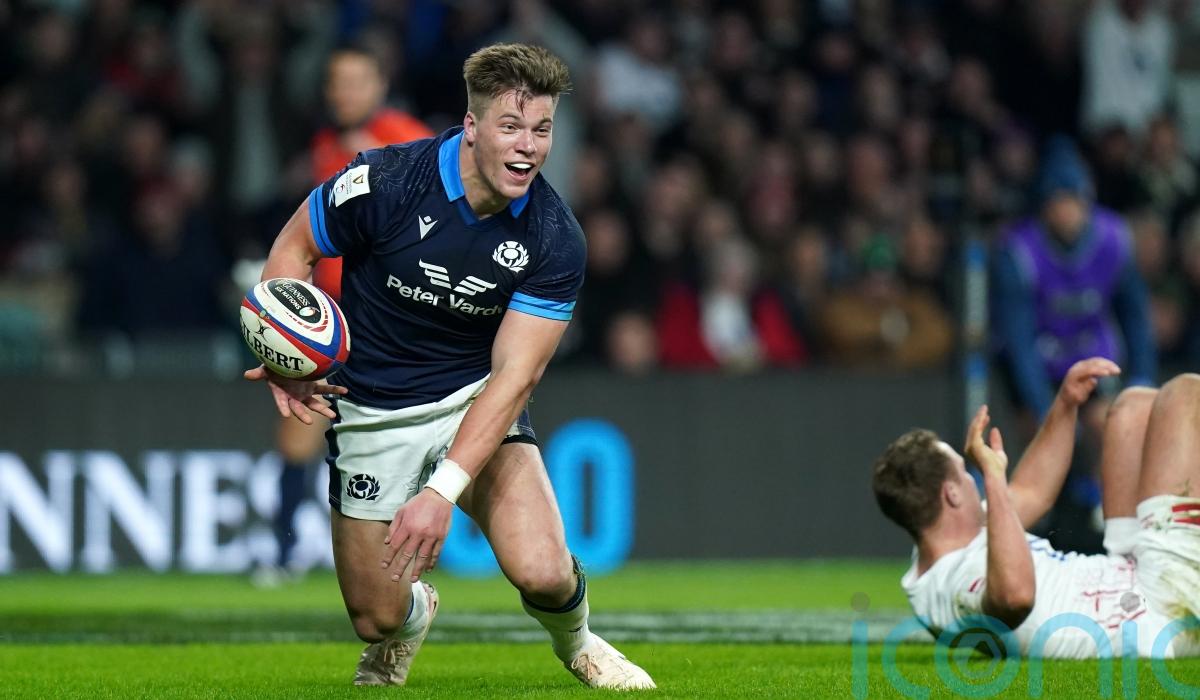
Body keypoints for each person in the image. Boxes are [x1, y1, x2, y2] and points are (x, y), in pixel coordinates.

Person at [243, 43, 655, 689]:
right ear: (472, 126)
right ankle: (415, 616)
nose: (528, 147)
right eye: (511, 126)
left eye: (542, 129)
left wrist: (440, 494)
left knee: (544, 571)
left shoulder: (554, 237)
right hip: (371, 406)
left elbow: (516, 377)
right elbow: (294, 248)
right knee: (375, 619)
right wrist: (286, 355)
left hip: (473, 398)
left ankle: (578, 642)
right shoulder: (385, 181)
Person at [871, 357, 1200, 658]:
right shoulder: (948, 587)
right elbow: (1014, 598)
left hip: (1129, 578)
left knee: (1132, 409)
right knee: (1184, 395)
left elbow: (1031, 491)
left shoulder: (954, 538)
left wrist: (1066, 401)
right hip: (1158, 617)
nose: (974, 478)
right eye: (964, 471)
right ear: (952, 494)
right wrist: (994, 477)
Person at [263, 45, 433, 584]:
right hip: (330, 320)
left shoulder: (407, 139)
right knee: (298, 428)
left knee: (400, 437)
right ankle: (284, 553)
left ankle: (410, 551)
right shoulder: (326, 144)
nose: (345, 92)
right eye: (337, 82)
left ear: (381, 85)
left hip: (388, 317)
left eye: (357, 81)